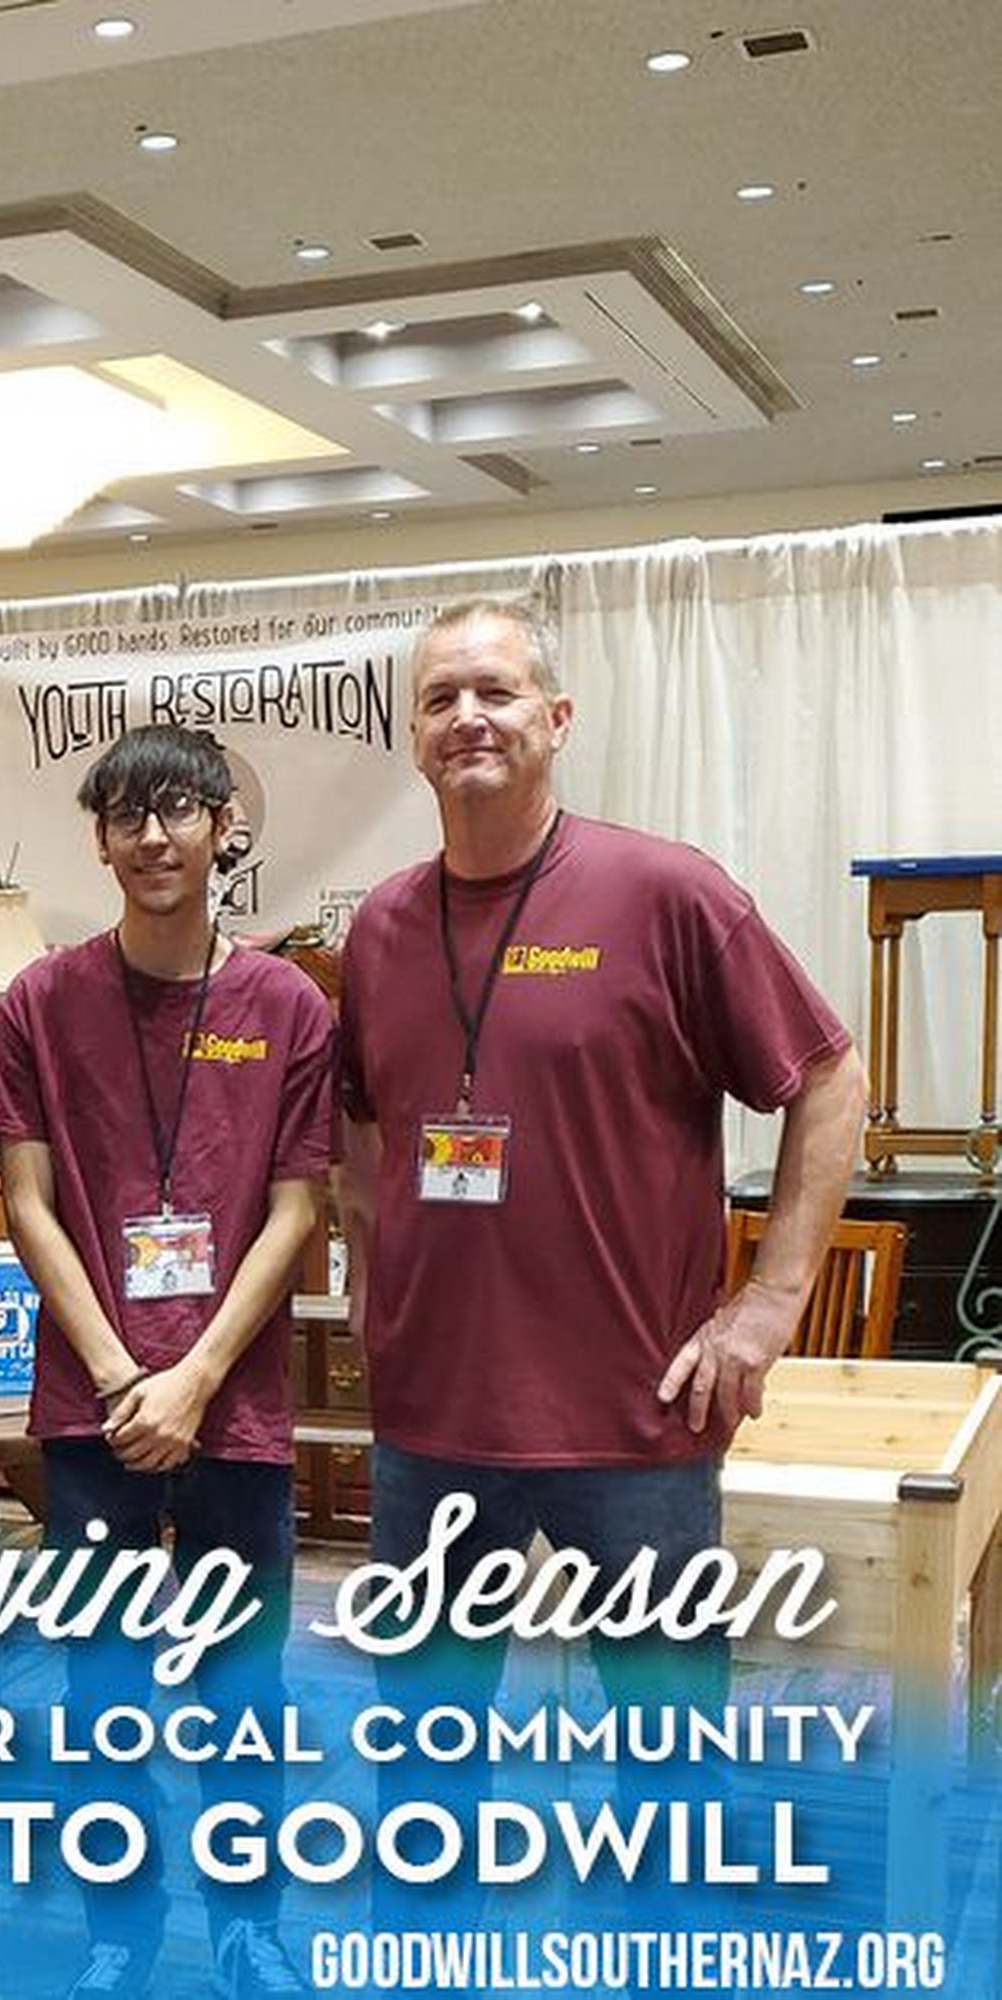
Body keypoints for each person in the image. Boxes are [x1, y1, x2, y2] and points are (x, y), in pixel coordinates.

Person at [335, 598, 867, 1908]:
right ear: (413, 737)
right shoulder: (381, 928)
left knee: (667, 1768)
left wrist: (769, 1303)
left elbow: (828, 1075)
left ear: (557, 718)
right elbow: (357, 1119)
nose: (468, 717)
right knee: (424, 1766)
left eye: (497, 691)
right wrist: (371, 1273)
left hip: (635, 1421)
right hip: (433, 1425)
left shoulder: (665, 893)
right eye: (440, 697)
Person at [0, 724, 335, 2000]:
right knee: (103, 1691)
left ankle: (247, 1928)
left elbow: (295, 1208)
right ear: (99, 840)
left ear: (223, 829)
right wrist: (126, 1375)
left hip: (233, 1409)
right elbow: (27, 1203)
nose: (152, 836)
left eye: (178, 809)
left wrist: (192, 1378)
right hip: (94, 1412)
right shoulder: (40, 1001)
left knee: (244, 1684)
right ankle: (118, 1935)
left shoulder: (286, 1006)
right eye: (125, 816)